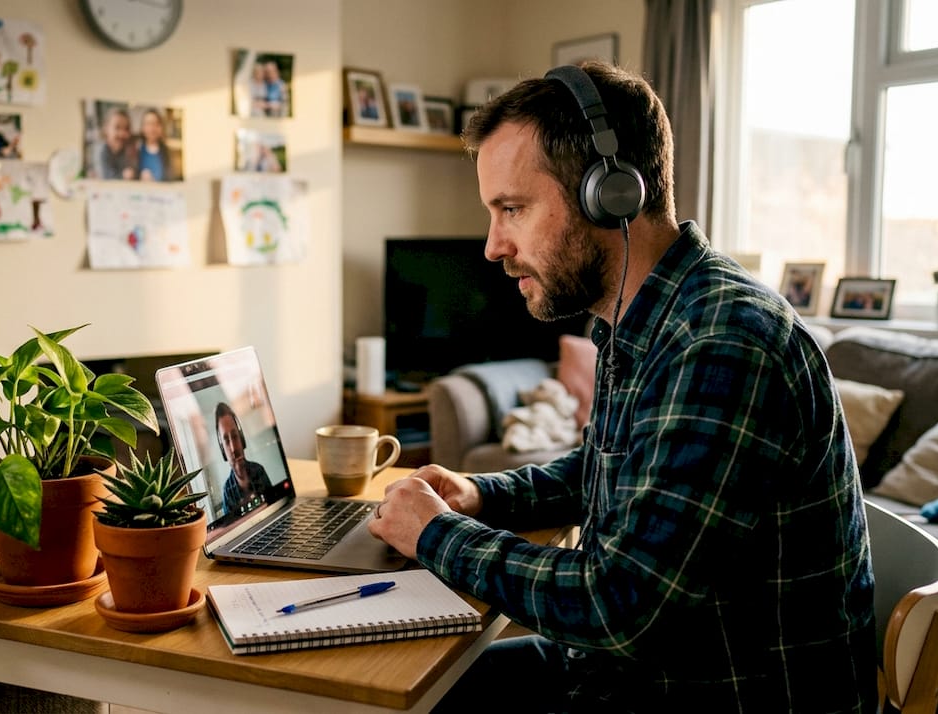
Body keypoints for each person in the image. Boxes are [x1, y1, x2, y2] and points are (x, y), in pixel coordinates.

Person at [367, 60, 876, 712]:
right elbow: (601, 471)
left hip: (713, 690)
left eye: (513, 209)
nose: (493, 246)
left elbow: (619, 605)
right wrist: (477, 494)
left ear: (606, 193)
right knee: (406, 688)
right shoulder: (644, 319)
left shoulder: (721, 341)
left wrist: (436, 534)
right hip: (636, 671)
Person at [215, 401, 273, 517]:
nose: (233, 448)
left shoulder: (259, 470)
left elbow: (274, 503)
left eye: (235, 436)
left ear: (242, 440)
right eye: (226, 440)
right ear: (223, 451)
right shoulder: (227, 490)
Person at [90, 107, 137, 180]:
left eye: (126, 129)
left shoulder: (129, 150)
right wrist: (123, 176)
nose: (122, 133)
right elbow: (105, 178)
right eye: (117, 127)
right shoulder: (101, 150)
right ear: (106, 128)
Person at [137, 109, 174, 182]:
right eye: (148, 124)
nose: (152, 128)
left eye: (156, 124)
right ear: (142, 127)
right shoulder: (137, 149)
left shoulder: (167, 152)